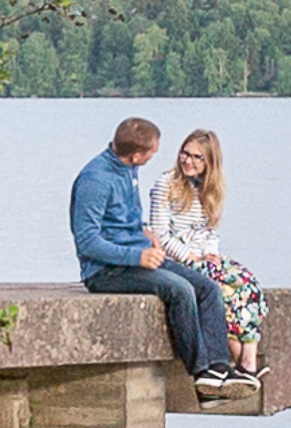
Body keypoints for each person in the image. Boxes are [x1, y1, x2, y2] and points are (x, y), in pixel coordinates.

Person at [70, 116, 239, 380]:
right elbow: (87, 242)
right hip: (106, 270)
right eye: (152, 152)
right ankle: (200, 372)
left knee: (207, 288)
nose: (155, 156)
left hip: (137, 257)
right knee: (180, 290)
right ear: (137, 155)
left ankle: (219, 368)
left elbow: (120, 219)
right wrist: (137, 256)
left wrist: (144, 231)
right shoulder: (95, 181)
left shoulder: (127, 168)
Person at [157, 126, 262, 383]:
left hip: (204, 257)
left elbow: (210, 231)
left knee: (248, 284)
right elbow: (160, 234)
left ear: (209, 162)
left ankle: (250, 358)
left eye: (196, 157)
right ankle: (241, 363)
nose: (187, 161)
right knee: (223, 290)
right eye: (185, 153)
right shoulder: (166, 184)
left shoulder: (210, 189)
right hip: (178, 260)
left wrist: (211, 255)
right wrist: (192, 257)